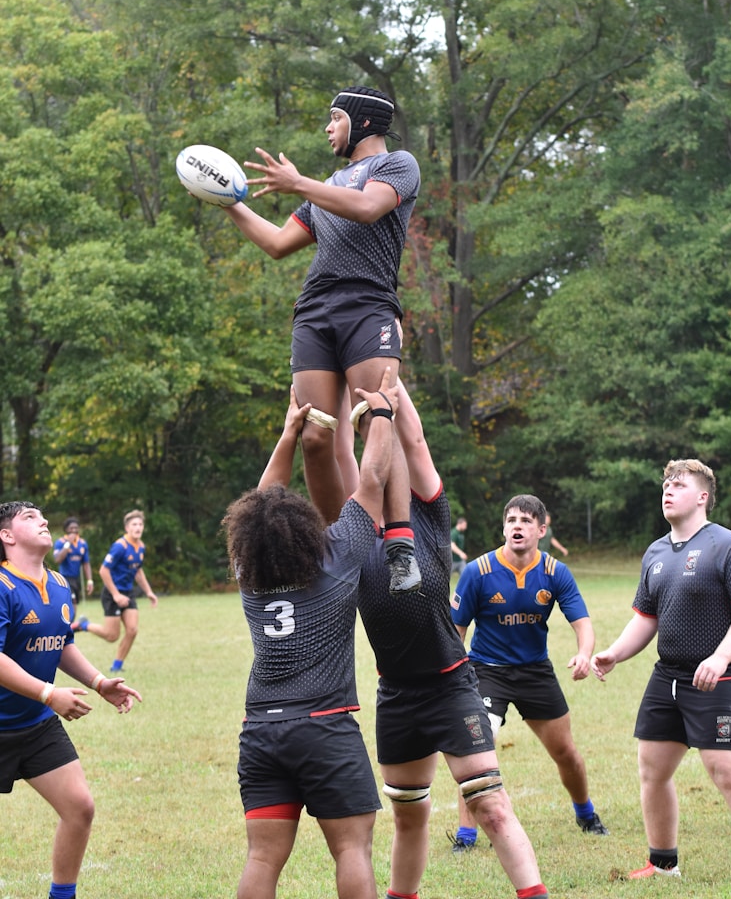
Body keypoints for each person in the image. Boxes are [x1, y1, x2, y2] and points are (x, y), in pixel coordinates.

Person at [225, 85, 421, 594]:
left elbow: (365, 209)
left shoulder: (397, 166)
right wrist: (225, 199)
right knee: (313, 434)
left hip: (368, 305)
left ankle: (399, 543)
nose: (327, 128)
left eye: (334, 118)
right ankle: (344, 548)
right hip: (313, 311)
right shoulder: (325, 188)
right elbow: (275, 243)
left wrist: (298, 183)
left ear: (362, 123)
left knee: (376, 418)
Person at [356, 395, 550, 899]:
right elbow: (334, 458)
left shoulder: (429, 516)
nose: (381, 448)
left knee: (491, 805)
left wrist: (392, 391)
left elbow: (415, 441)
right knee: (407, 813)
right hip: (395, 695)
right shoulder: (352, 528)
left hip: (449, 686)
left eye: (383, 436)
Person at [224, 367, 399, 899]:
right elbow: (371, 480)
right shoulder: (336, 557)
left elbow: (262, 501)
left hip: (261, 731)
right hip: (323, 728)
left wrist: (288, 435)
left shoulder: (249, 573)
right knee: (351, 849)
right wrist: (382, 416)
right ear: (304, 526)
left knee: (262, 857)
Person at [591, 458, 731, 887]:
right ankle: (664, 864)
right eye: (665, 484)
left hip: (720, 678)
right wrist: (614, 653)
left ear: (702, 497)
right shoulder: (657, 552)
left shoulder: (727, 544)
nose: (668, 490)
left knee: (729, 773)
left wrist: (719, 658)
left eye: (678, 484)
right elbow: (646, 618)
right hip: (668, 677)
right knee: (652, 770)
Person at [449, 493, 608, 852]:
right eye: (511, 521)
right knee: (479, 742)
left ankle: (586, 814)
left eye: (525, 521)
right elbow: (455, 635)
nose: (517, 526)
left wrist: (584, 654)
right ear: (504, 528)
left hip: (536, 671)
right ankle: (466, 835)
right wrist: (456, 676)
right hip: (487, 670)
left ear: (541, 529)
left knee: (565, 752)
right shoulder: (478, 572)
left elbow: (582, 623)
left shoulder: (554, 572)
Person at [0, 500, 141, 899]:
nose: (44, 520)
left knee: (79, 808)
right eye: (29, 517)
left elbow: (61, 645)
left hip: (35, 726)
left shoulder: (60, 584)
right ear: (6, 536)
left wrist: (99, 682)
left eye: (42, 515)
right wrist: (48, 693)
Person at [72, 509, 157, 674]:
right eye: (134, 524)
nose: (138, 527)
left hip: (128, 592)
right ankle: (83, 625)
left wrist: (149, 592)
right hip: (112, 594)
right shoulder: (120, 546)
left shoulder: (141, 547)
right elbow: (104, 571)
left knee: (132, 630)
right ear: (127, 528)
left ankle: (117, 666)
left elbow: (138, 571)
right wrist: (116, 595)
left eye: (140, 524)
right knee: (112, 636)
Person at [52, 517, 94, 607]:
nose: (74, 530)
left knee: (74, 605)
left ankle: (71, 621)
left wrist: (90, 580)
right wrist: (68, 544)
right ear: (66, 529)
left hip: (76, 579)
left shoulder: (82, 543)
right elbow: (57, 560)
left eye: (76, 528)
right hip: (65, 578)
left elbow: (86, 563)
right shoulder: (60, 542)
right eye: (71, 528)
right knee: (71, 604)